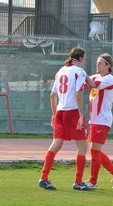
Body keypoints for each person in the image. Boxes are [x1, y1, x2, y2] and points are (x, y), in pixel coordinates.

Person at [38, 47, 93, 191]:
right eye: (84, 59)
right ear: (80, 59)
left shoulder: (60, 71)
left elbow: (52, 95)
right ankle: (78, 181)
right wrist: (81, 114)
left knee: (56, 144)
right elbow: (79, 94)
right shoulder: (79, 72)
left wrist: (54, 113)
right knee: (82, 146)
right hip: (72, 111)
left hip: (60, 111)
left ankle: (44, 177)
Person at [83, 53, 113, 190]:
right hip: (94, 119)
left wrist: (80, 71)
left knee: (94, 150)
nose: (97, 65)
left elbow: (92, 84)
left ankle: (93, 182)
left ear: (108, 65)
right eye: (97, 62)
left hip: (102, 119)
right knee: (95, 151)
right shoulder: (95, 76)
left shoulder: (109, 79)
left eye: (100, 63)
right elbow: (84, 84)